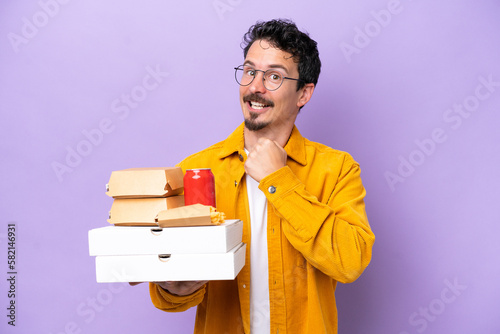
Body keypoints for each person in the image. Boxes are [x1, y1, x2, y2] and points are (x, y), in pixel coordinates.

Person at [148, 19, 375, 334]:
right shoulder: (196, 170)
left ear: (304, 93)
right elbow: (168, 294)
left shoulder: (336, 169)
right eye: (250, 71)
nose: (255, 86)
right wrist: (177, 288)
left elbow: (349, 261)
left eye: (273, 77)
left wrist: (278, 181)